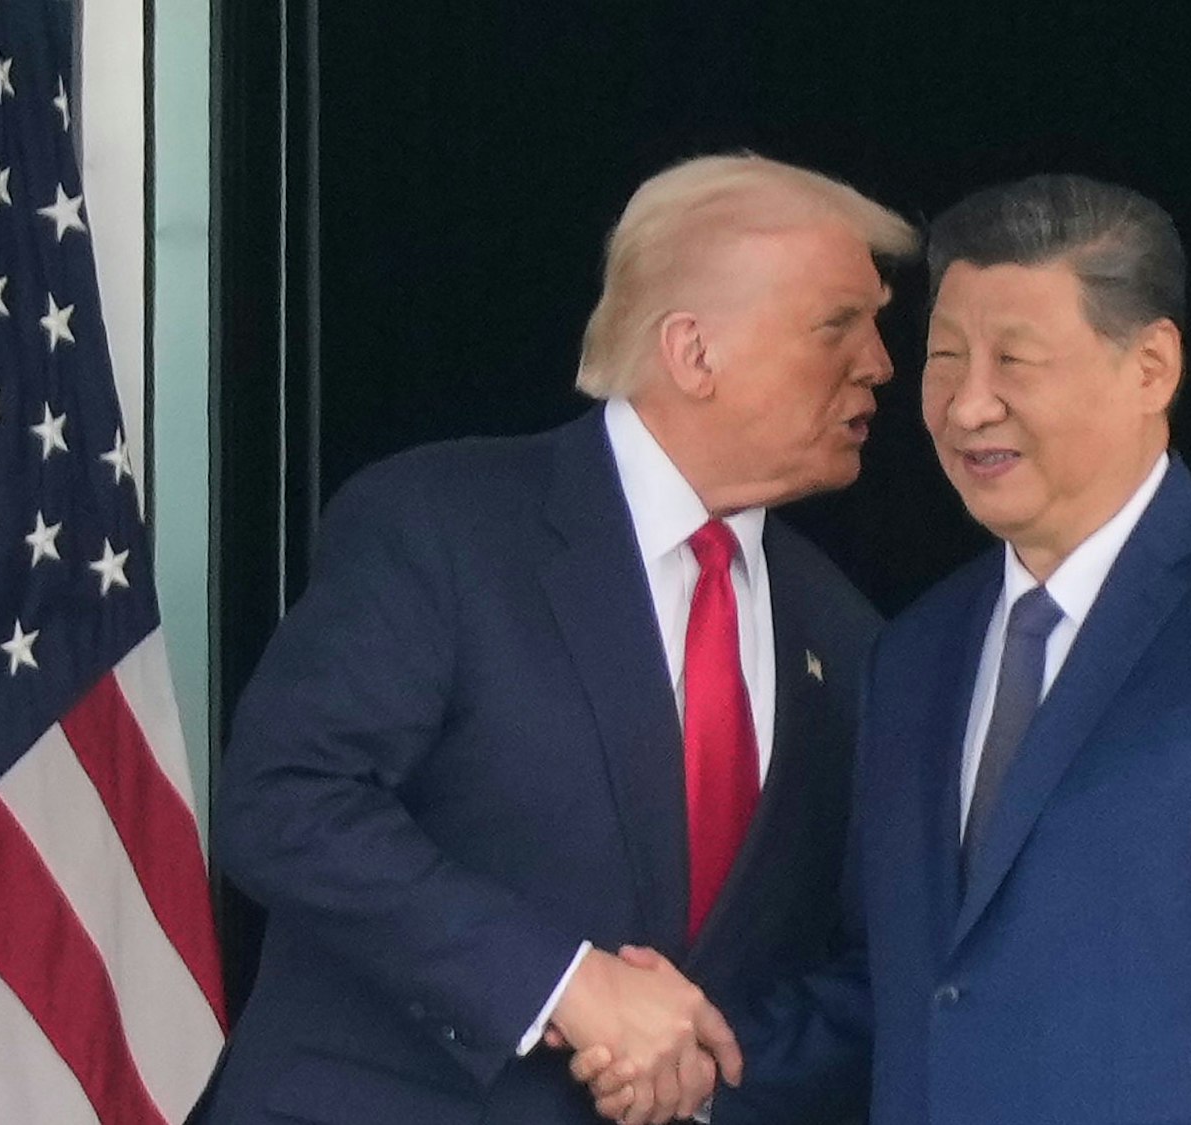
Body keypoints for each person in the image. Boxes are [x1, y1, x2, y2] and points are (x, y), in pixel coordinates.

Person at [584, 173, 1191, 1123]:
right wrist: (701, 1062)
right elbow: (901, 985)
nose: (966, 406)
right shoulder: (912, 654)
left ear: (1153, 367)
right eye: (945, 357)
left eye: (1016, 360)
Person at [204, 153, 916, 1125]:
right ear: (692, 352)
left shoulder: (850, 634)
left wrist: (699, 1072)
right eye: (838, 323)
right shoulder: (442, 525)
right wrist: (564, 985)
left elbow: (868, 962)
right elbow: (281, 802)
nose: (878, 360)